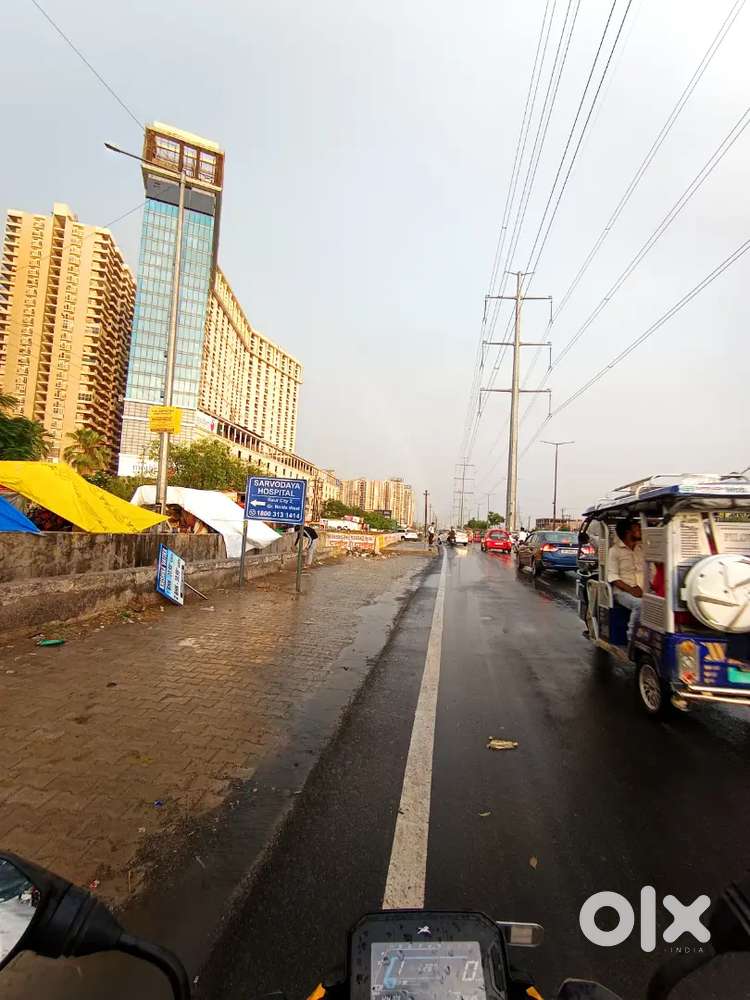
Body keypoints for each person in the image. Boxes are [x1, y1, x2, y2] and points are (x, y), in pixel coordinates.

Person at [608, 517, 643, 642]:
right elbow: (613, 576)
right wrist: (631, 590)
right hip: (622, 592)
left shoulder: (641, 549)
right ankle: (632, 638)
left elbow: (651, 571)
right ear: (628, 532)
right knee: (640, 605)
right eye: (637, 529)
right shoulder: (614, 551)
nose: (640, 531)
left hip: (643, 590)